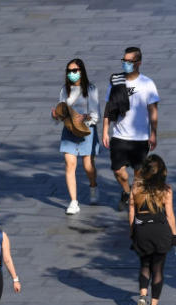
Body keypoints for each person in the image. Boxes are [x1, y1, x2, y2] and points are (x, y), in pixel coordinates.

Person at [102, 46, 159, 211]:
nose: (125, 64)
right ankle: (127, 192)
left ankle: (135, 201)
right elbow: (109, 107)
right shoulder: (117, 82)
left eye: (129, 61)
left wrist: (154, 133)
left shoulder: (147, 84)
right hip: (120, 136)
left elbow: (153, 111)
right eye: (124, 61)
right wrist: (105, 130)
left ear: (138, 63)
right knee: (118, 171)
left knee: (139, 174)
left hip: (140, 138)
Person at [128, 155, 176, 305]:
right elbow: (170, 215)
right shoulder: (166, 190)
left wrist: (132, 233)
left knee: (144, 265)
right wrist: (175, 236)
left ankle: (142, 296)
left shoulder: (136, 188)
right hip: (160, 230)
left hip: (142, 230)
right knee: (157, 268)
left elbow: (131, 212)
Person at [50, 58, 100, 215]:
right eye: (69, 71)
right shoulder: (64, 90)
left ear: (81, 71)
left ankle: (93, 186)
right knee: (69, 164)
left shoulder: (91, 89)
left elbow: (95, 114)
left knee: (88, 166)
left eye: (75, 71)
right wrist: (56, 115)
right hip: (69, 131)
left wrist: (84, 118)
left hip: (86, 131)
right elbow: (62, 111)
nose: (72, 74)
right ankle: (73, 201)